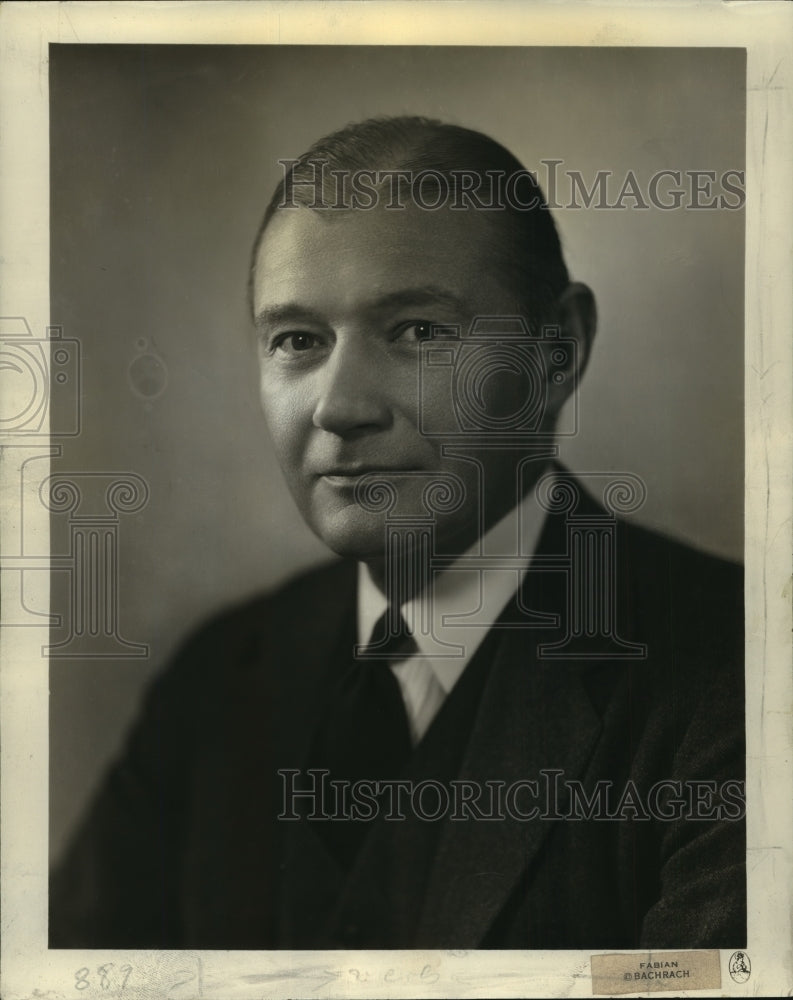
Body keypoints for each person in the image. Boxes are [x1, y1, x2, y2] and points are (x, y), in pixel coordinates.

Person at [50, 116, 745, 950]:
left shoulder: (742, 686)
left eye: (417, 332)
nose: (341, 407)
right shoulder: (218, 681)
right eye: (297, 341)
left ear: (555, 352)